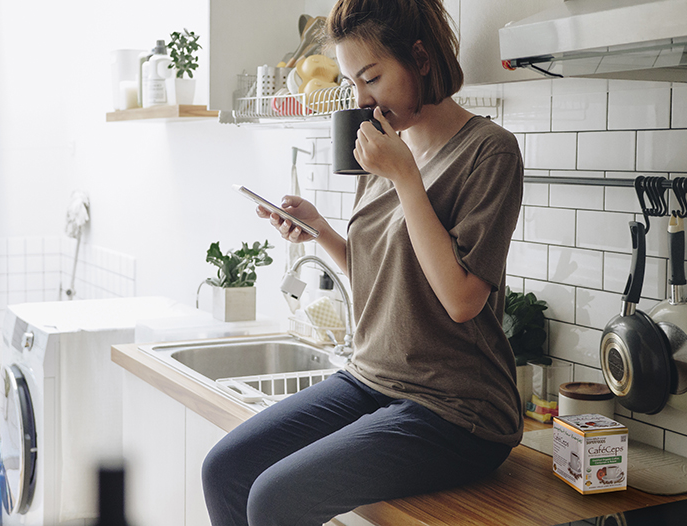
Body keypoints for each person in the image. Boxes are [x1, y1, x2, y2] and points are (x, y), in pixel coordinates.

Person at [202, 0, 524, 524]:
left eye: (371, 78)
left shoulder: (488, 152)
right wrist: (321, 232)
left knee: (274, 499)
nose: (362, 99)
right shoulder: (382, 149)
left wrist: (404, 177)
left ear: (419, 58)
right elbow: (384, 280)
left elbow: (462, 300)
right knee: (225, 469)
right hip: (372, 379)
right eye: (353, 82)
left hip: (457, 411)